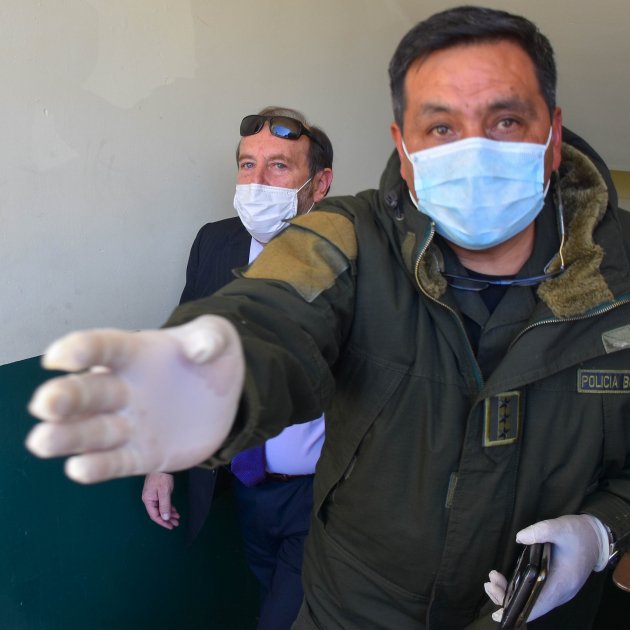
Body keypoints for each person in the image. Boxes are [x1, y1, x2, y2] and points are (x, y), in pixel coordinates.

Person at [26, 6, 630, 629]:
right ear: (404, 147)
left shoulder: (621, 274)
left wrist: (602, 530)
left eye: (505, 119)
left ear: (552, 133)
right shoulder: (351, 235)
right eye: (441, 126)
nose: (473, 150)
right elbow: (274, 313)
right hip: (352, 608)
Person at [140, 105, 333, 630]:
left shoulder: (355, 257)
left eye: (279, 166)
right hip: (249, 488)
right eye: (248, 165)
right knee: (270, 594)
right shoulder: (215, 242)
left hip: (324, 497)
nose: (257, 181)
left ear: (319, 184)